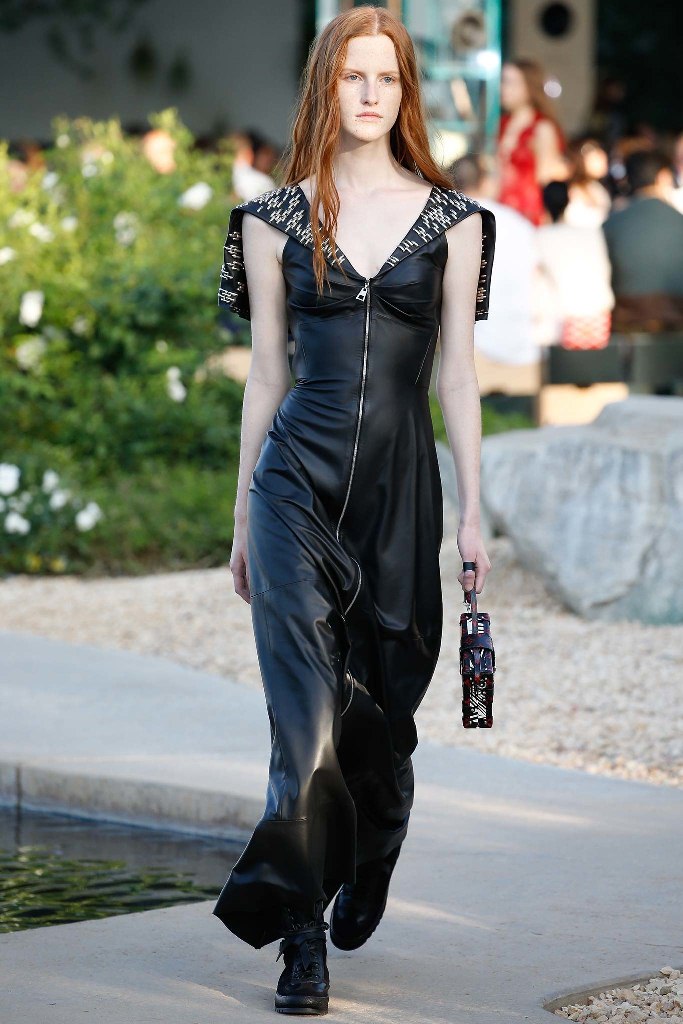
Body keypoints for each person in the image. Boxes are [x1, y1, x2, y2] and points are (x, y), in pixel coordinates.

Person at [213, 5, 495, 1015]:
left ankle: (378, 829)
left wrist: (472, 513)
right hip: (293, 487)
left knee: (383, 710)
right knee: (304, 723)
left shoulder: (455, 224)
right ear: (324, 87)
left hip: (399, 495)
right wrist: (240, 520)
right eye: (351, 76)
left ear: (404, 91)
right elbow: (265, 375)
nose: (369, 94)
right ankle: (300, 942)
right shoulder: (269, 220)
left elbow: (457, 376)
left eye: (386, 77)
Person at [602, 149, 683, 331]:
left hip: (626, 324)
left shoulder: (612, 223)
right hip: (677, 322)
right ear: (663, 177)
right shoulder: (678, 220)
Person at [536, 180, 614, 349]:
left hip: (561, 326)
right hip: (598, 321)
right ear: (568, 200)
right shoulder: (591, 233)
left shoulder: (540, 237)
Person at [497, 58, 567, 226]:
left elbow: (547, 179)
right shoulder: (503, 123)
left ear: (529, 87)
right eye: (503, 82)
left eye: (510, 83)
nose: (503, 88)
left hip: (530, 214)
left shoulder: (542, 127)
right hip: (502, 210)